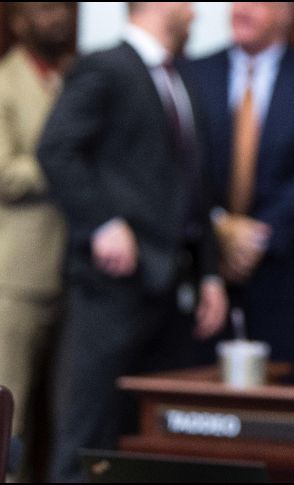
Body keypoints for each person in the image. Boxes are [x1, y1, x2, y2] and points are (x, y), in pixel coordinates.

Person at [37, 3, 228, 481]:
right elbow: (56, 147)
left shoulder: (180, 78)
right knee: (89, 431)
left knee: (153, 436)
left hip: (173, 288)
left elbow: (194, 186)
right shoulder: (105, 65)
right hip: (112, 287)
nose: (195, 13)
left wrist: (209, 272)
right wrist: (102, 222)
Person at [183, 2, 294, 380]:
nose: (241, 9)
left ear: (287, 11)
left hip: (285, 268)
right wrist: (220, 225)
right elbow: (181, 164)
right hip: (205, 266)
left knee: (278, 400)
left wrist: (257, 236)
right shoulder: (193, 71)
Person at [0, 1, 74, 475]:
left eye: (61, 8)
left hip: (76, 271)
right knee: (12, 414)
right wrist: (68, 161)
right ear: (18, 22)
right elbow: (5, 173)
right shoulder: (5, 82)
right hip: (17, 276)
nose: (57, 18)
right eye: (43, 9)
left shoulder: (73, 76)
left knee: (67, 417)